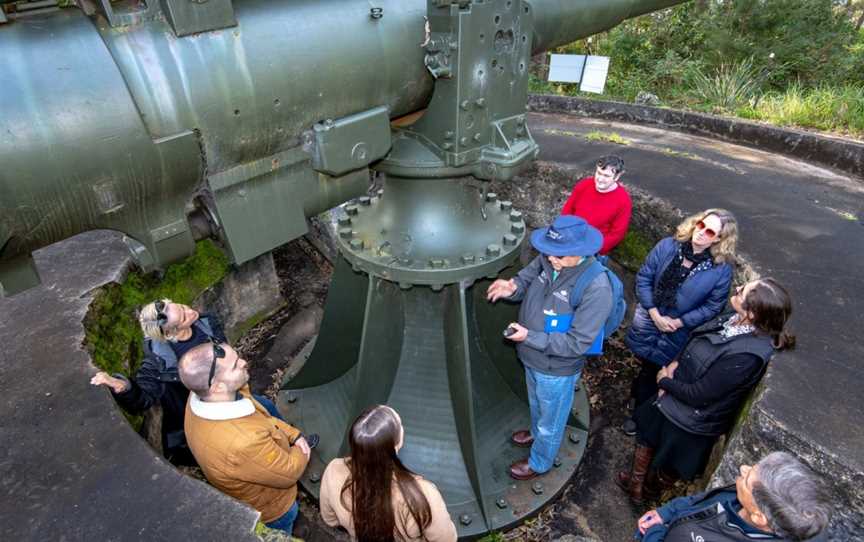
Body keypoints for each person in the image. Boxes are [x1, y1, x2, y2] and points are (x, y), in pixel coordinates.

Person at [619, 277, 796, 505]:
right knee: (647, 437)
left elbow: (702, 395)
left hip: (691, 421)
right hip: (676, 393)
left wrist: (664, 382)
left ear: (752, 314)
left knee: (669, 463)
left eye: (743, 292)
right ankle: (635, 484)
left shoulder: (747, 356)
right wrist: (674, 363)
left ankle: (648, 492)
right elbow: (697, 338)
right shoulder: (733, 319)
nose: (738, 288)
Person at [487, 215, 613, 481]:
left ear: (581, 253)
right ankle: (535, 432)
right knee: (536, 403)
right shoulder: (549, 257)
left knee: (551, 421)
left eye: (560, 256)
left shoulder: (596, 287)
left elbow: (577, 342)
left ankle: (540, 461)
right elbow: (527, 277)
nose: (551, 259)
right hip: (532, 357)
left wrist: (528, 337)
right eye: (550, 252)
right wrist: (511, 287)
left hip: (556, 368)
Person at [622, 209, 737, 437]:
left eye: (710, 231)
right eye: (701, 225)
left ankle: (640, 416)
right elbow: (645, 277)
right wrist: (653, 312)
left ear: (719, 239)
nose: (702, 233)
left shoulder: (720, 270)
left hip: (677, 330)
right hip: (650, 319)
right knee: (645, 364)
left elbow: (713, 306)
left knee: (658, 370)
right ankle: (636, 397)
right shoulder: (668, 246)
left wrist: (680, 322)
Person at [179, 342, 311, 535]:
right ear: (217, 387)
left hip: (255, 478)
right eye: (234, 366)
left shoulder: (204, 396)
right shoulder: (243, 442)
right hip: (273, 507)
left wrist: (294, 434)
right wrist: (302, 449)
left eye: (237, 357)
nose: (244, 362)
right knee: (285, 523)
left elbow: (261, 418)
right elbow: (288, 472)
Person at [90, 299, 224, 464]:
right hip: (201, 417)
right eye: (183, 317)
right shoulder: (159, 362)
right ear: (169, 333)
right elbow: (143, 398)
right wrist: (123, 387)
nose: (190, 311)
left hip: (230, 393)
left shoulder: (205, 323)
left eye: (182, 306)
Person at [319, 405, 457, 542]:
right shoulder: (422, 495)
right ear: (397, 443)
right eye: (400, 425)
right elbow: (447, 539)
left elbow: (330, 519)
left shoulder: (333, 471)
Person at [635, 452, 831, 541]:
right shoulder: (761, 502)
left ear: (759, 517)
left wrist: (655, 533)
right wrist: (667, 512)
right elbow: (705, 500)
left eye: (747, 479)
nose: (743, 469)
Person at [560, 155, 632, 255]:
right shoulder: (584, 185)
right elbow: (567, 212)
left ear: (617, 176)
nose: (600, 179)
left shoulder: (623, 200)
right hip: (570, 238)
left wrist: (592, 248)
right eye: (599, 173)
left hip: (593, 248)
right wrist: (566, 233)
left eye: (606, 176)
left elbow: (617, 234)